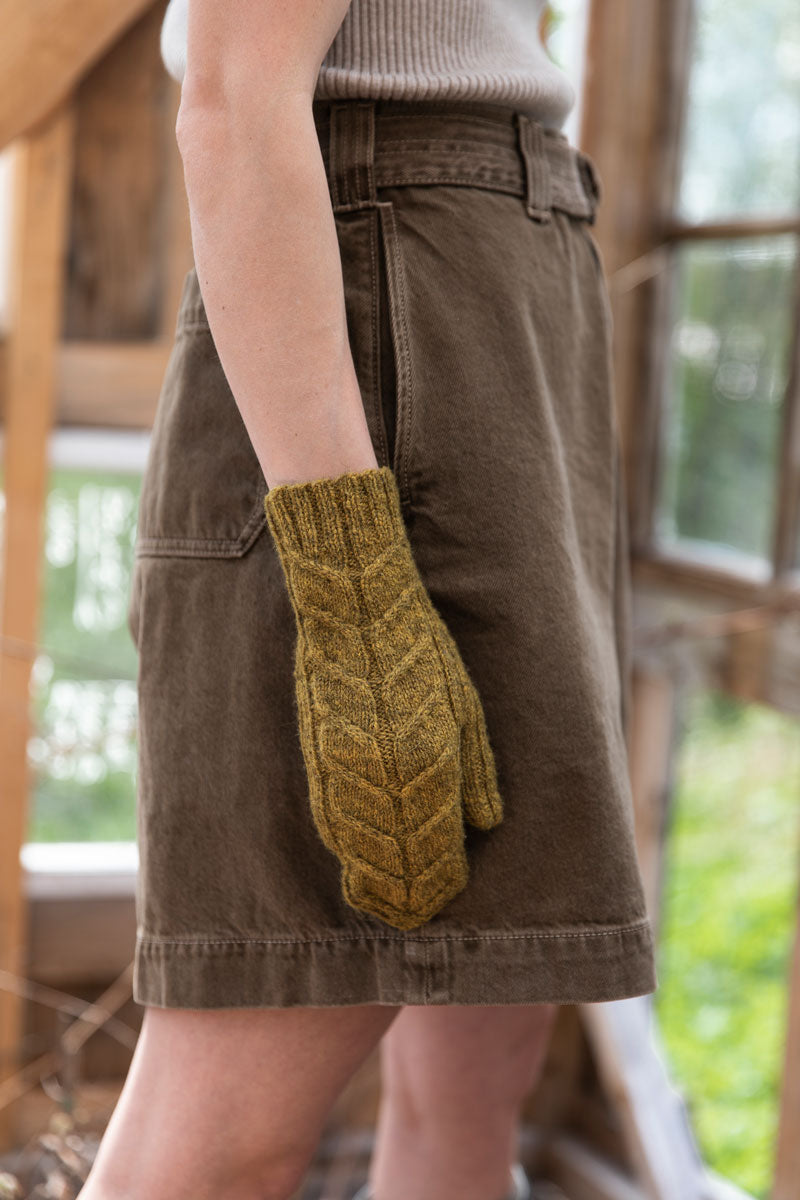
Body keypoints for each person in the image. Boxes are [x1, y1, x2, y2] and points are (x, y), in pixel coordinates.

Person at [79, 3, 657, 1199]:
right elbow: (235, 97)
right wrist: (352, 595)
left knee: (476, 1070)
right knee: (232, 1115)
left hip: (502, 286)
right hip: (380, 299)